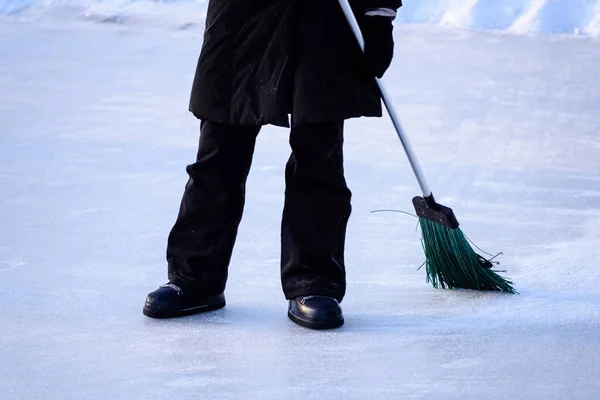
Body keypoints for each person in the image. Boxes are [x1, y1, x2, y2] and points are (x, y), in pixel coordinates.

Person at [143, 0, 402, 330]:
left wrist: (379, 16)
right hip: (241, 16)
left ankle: (314, 283)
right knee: (219, 152)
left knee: (319, 156)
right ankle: (195, 278)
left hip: (323, 19)